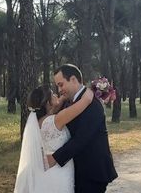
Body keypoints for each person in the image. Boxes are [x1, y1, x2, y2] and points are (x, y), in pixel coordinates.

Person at [49, 64, 118, 193]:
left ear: (74, 80)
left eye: (61, 84)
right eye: (58, 86)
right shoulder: (69, 102)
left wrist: (54, 158)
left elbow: (81, 139)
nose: (59, 90)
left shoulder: (93, 105)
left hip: (93, 172)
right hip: (78, 170)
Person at [14, 82, 94, 193]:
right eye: (52, 94)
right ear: (48, 102)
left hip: (46, 171)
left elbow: (57, 103)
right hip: (59, 170)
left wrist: (62, 97)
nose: (57, 95)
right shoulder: (57, 120)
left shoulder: (38, 121)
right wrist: (93, 89)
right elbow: (87, 100)